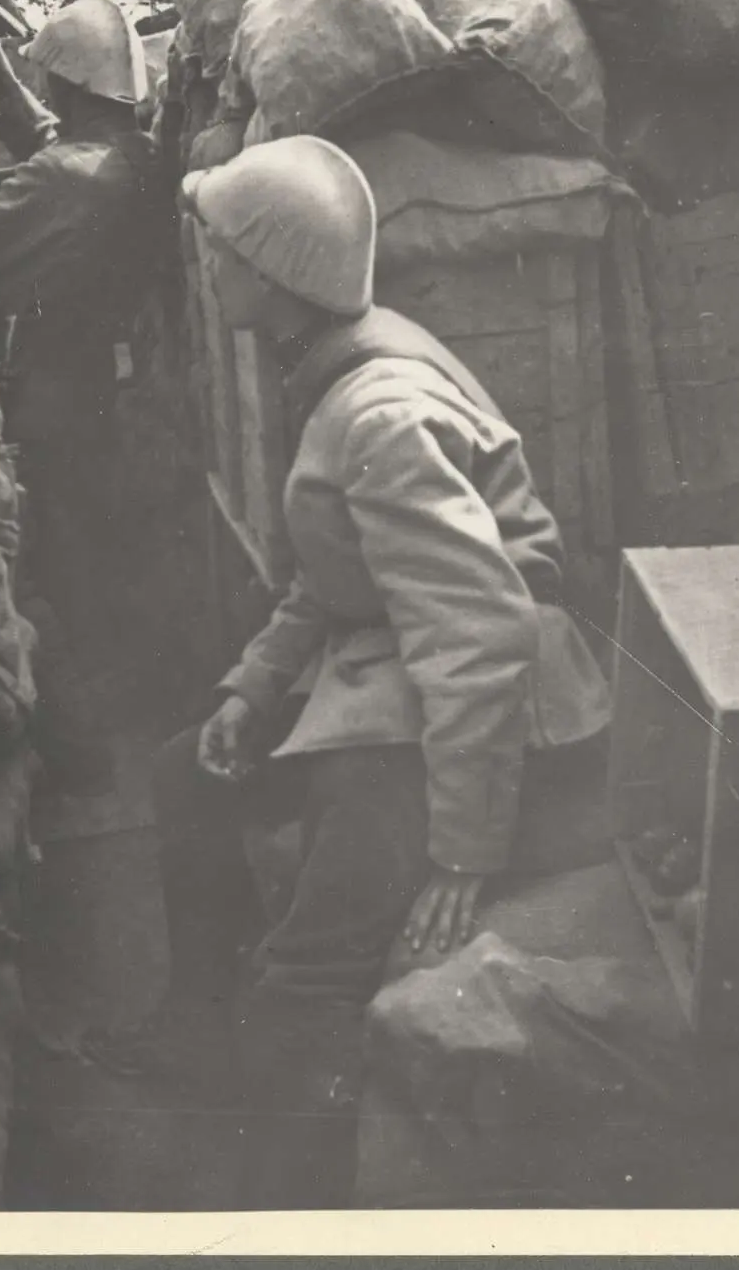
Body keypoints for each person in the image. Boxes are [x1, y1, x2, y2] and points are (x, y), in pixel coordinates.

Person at [84, 135, 613, 1207]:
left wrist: (463, 845)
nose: (211, 268)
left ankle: (293, 1208)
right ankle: (198, 1032)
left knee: (309, 981)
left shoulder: (378, 416)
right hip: (399, 670)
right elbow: (331, 577)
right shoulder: (332, 367)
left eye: (225, 253)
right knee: (187, 774)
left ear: (274, 277)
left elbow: (477, 634)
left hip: (471, 712)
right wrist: (251, 688)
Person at [0, 0, 181, 789]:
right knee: (110, 541)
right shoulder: (140, 158)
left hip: (59, 379)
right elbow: (64, 150)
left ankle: (93, 743)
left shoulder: (64, 178)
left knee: (64, 553)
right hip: (120, 379)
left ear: (66, 85)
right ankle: (133, 705)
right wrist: (10, 87)